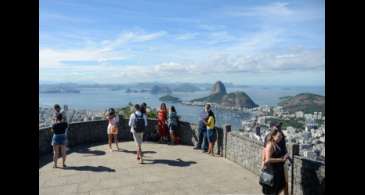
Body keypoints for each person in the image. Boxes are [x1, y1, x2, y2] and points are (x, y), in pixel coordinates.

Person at [262, 129, 289, 195]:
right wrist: (281, 159)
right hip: (273, 171)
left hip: (277, 171)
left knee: (277, 190)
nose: (280, 138)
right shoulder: (270, 145)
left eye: (281, 137)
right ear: (273, 136)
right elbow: (268, 159)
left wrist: (284, 156)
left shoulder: (275, 144)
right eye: (278, 136)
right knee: (272, 191)